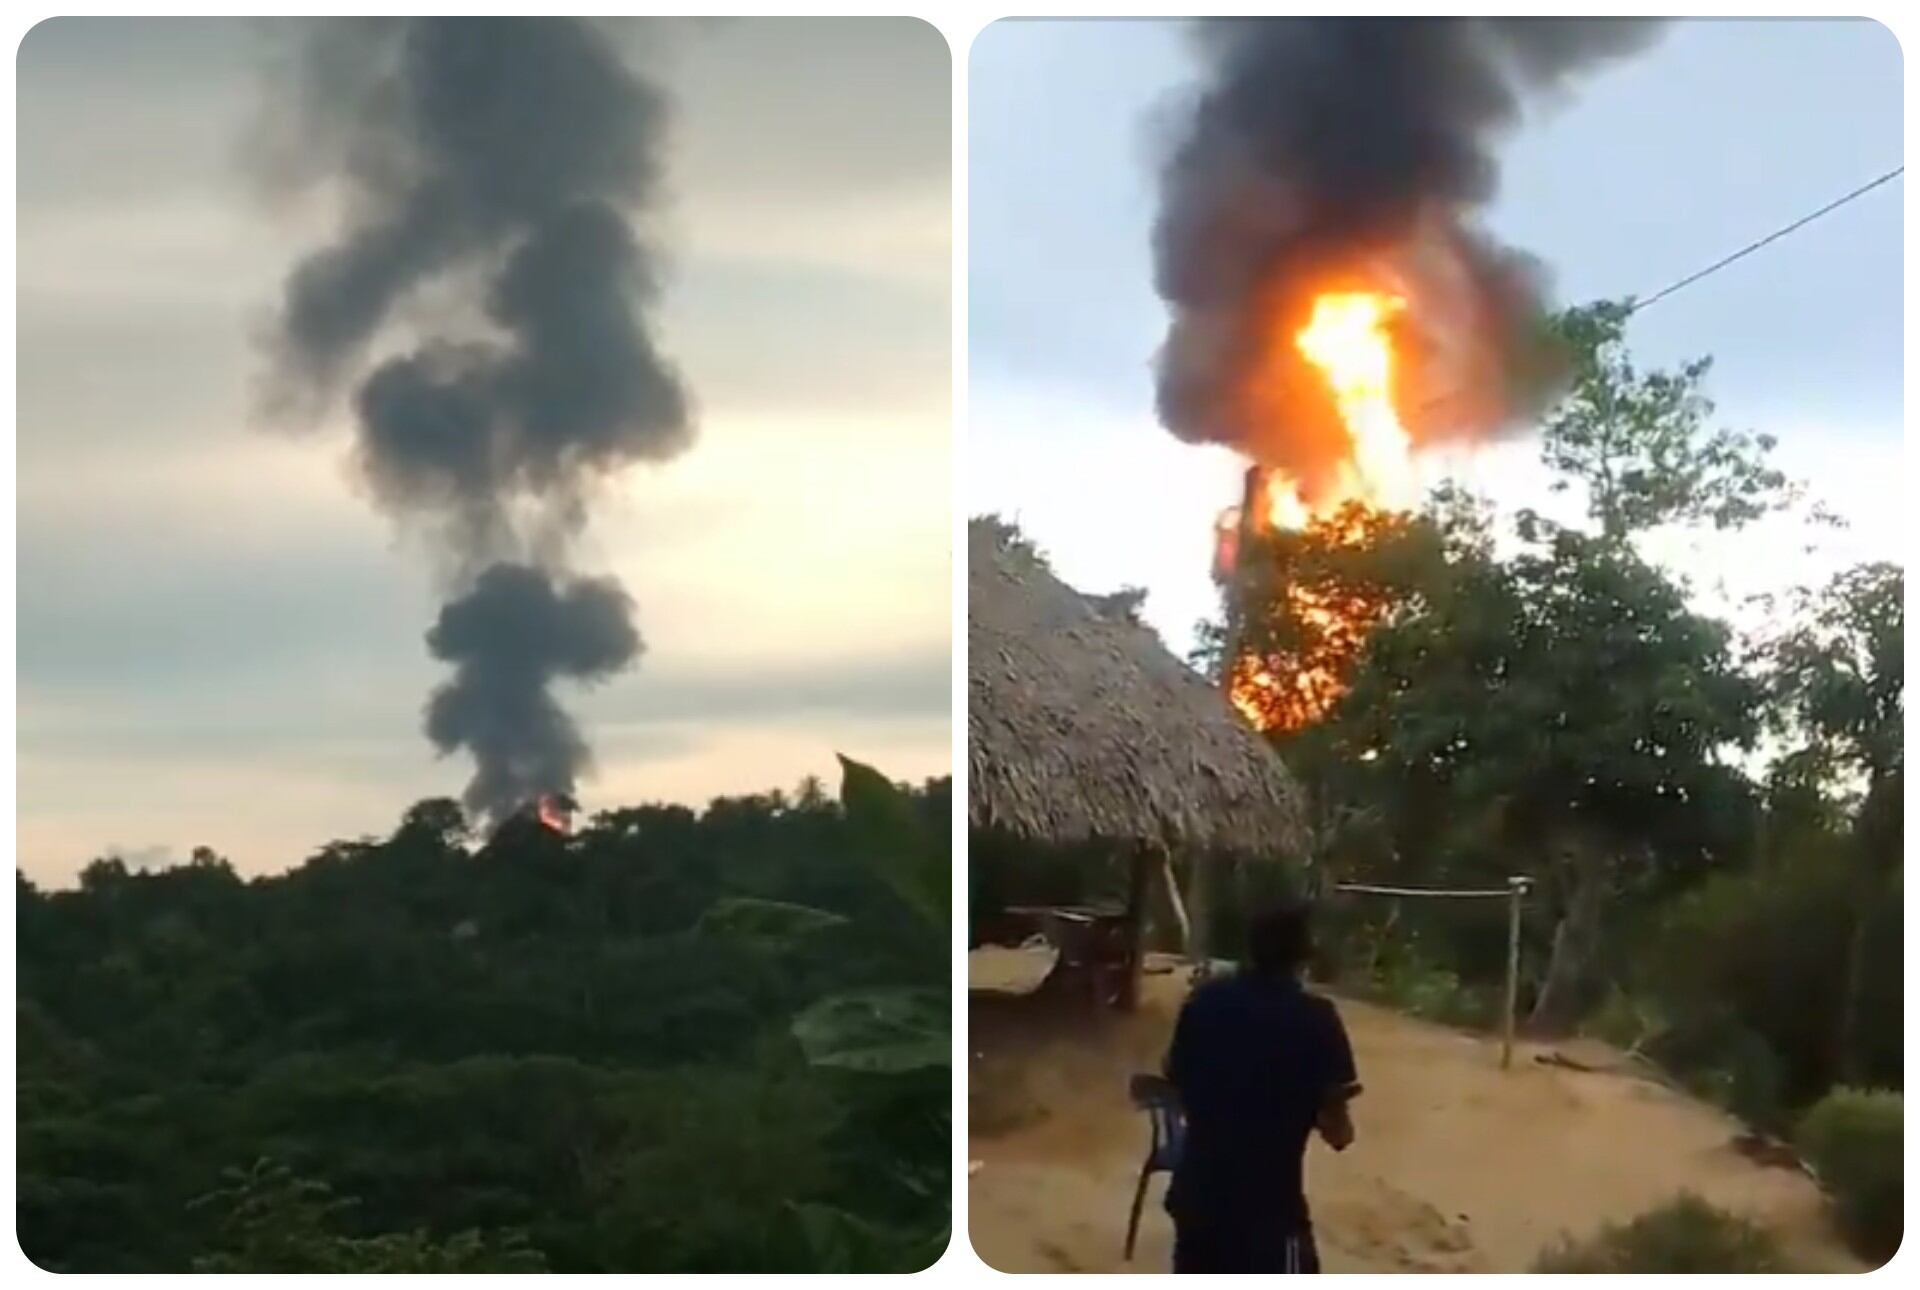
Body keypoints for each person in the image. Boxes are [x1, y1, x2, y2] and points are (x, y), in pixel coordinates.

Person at [1162, 900, 1359, 1273]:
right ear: (1302, 956)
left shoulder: (1204, 1002)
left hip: (1197, 1198)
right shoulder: (1317, 1018)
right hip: (1269, 1212)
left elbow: (1175, 1079)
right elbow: (1338, 1133)